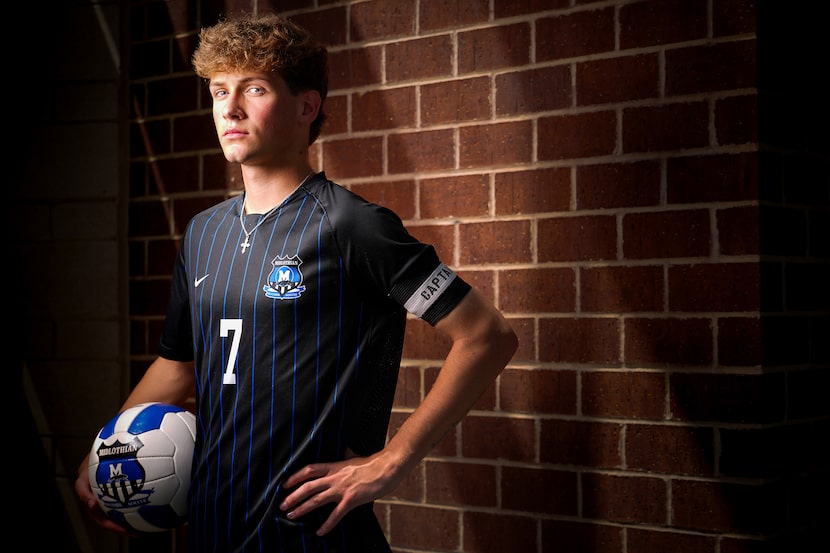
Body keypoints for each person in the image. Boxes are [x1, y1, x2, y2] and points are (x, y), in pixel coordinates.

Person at [75, 12, 518, 552]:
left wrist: (390, 463)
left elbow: (487, 335)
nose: (229, 109)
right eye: (219, 91)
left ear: (307, 106)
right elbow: (177, 366)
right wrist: (104, 455)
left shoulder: (353, 226)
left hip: (311, 533)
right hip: (212, 531)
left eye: (253, 89)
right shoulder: (203, 234)